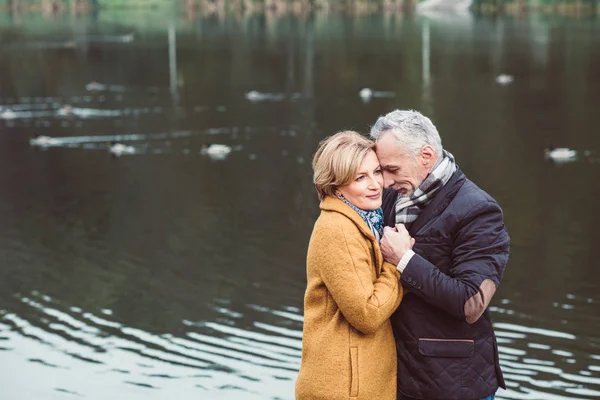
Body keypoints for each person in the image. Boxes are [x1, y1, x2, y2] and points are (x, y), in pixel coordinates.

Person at [370, 110, 510, 400]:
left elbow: (470, 302)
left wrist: (405, 260)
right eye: (381, 170)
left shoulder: (479, 211)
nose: (384, 181)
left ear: (426, 156)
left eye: (392, 169)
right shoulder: (391, 197)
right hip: (394, 376)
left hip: (453, 385)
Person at [296, 131, 405, 400]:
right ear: (335, 187)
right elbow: (366, 315)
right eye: (360, 177)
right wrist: (398, 262)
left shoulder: (366, 221)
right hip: (343, 389)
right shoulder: (339, 230)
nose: (375, 184)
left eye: (376, 172)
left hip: (354, 383)